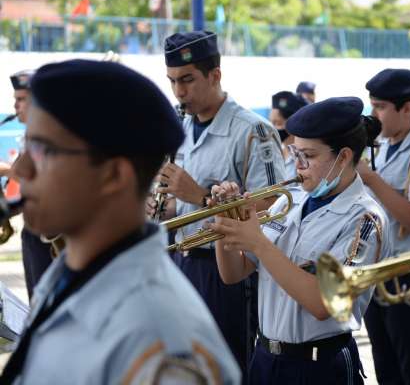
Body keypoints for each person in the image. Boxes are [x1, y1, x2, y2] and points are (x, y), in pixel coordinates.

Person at [0, 59, 240, 384]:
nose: (21, 170)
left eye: (44, 150)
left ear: (113, 175)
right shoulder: (67, 276)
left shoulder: (163, 346)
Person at [210, 97, 389, 384]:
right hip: (266, 357)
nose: (298, 166)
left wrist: (259, 243)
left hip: (318, 365)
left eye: (309, 156)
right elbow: (233, 273)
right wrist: (225, 221)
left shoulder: (365, 218)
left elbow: (323, 302)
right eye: (295, 153)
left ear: (343, 157)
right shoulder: (289, 201)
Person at [150, 30, 286, 381]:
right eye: (173, 81)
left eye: (188, 80)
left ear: (215, 75)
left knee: (228, 369)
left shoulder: (253, 131)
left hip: (227, 272)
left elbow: (275, 204)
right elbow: (179, 207)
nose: (179, 92)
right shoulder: (180, 125)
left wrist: (197, 195)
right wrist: (161, 207)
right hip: (182, 261)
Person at [355, 68, 410, 385]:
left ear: (407, 109)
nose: (373, 114)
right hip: (378, 269)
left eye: (380, 107)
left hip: (409, 272)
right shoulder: (382, 147)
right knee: (386, 367)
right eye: (372, 105)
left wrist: (371, 179)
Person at [9, 69, 54, 299]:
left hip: (48, 235)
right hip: (33, 232)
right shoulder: (30, 136)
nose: (16, 106)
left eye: (21, 99)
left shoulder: (50, 135)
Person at [269, 91, 308, 179]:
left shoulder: (305, 158)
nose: (272, 129)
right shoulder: (278, 154)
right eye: (271, 123)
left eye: (277, 123)